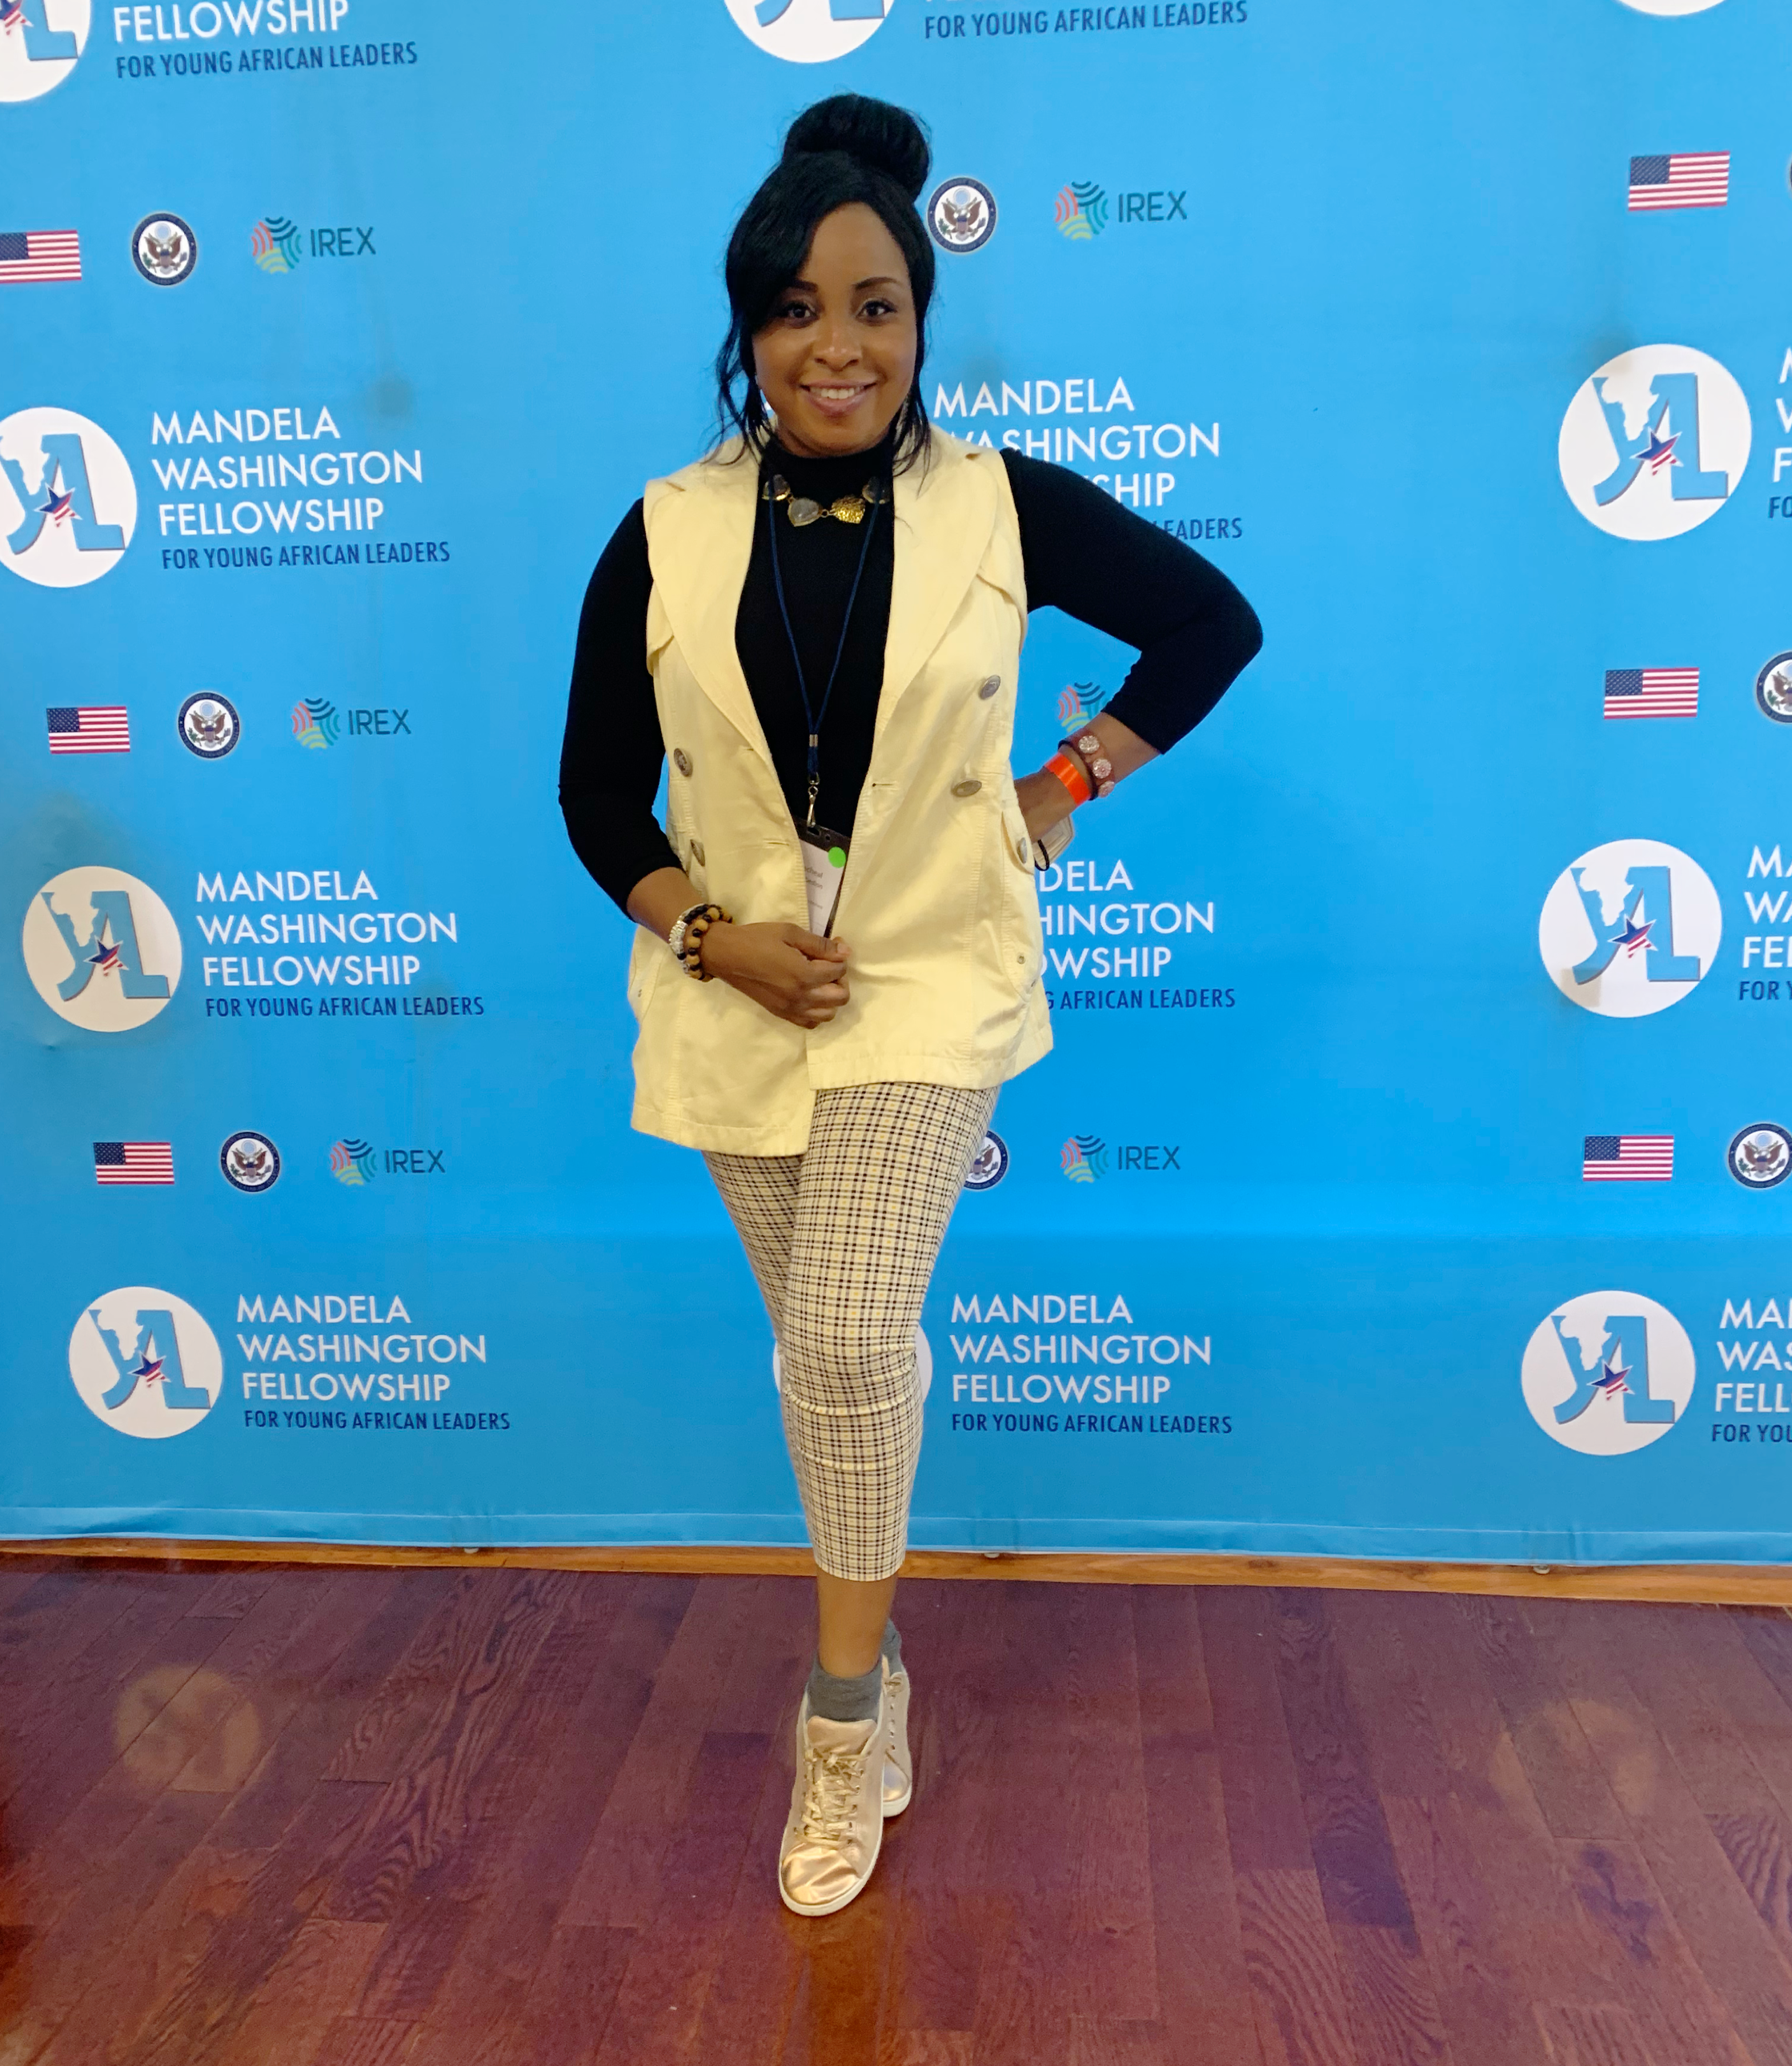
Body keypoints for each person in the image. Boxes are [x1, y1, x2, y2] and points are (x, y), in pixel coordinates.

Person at [560, 93, 1261, 1917]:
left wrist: (1064, 783)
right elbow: (590, 797)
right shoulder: (667, 530)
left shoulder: (1001, 506)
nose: (836, 342)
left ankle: (844, 1713)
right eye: (795, 308)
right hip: (734, 994)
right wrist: (710, 931)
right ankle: (881, 1668)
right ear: (748, 330)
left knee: (852, 1343)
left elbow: (1211, 625)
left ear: (923, 319)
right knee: (822, 1362)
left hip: (928, 979)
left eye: (874, 303)